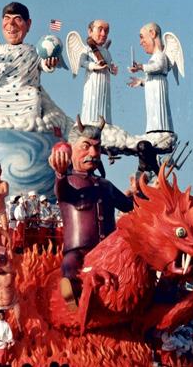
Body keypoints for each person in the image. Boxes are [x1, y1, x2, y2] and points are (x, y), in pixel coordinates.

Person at [49, 117, 134, 307]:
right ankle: (73, 297)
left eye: (97, 147)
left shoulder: (106, 185)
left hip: (108, 250)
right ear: (71, 149)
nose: (93, 153)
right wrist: (60, 174)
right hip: (78, 249)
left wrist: (142, 193)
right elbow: (61, 191)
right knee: (70, 267)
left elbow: (128, 206)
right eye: (86, 146)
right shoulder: (68, 182)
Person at [0, 1, 58, 119]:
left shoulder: (33, 51)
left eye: (17, 19)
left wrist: (48, 63)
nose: (11, 23)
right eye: (7, 18)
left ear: (28, 24)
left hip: (24, 94)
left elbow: (43, 64)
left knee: (34, 97)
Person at [128, 22, 173, 133]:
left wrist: (141, 67)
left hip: (158, 89)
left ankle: (160, 129)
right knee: (153, 110)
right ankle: (153, 129)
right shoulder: (155, 56)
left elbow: (158, 66)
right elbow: (153, 74)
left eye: (142, 37)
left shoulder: (160, 55)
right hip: (153, 89)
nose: (141, 42)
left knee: (158, 110)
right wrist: (142, 82)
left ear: (152, 34)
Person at [79, 20, 117, 124]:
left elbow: (110, 64)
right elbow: (82, 62)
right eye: (100, 30)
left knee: (104, 102)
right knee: (92, 102)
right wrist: (93, 66)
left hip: (105, 82)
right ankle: (89, 121)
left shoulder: (106, 52)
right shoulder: (87, 49)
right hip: (92, 82)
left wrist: (112, 68)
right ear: (90, 31)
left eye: (106, 31)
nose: (103, 34)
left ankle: (105, 121)